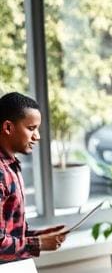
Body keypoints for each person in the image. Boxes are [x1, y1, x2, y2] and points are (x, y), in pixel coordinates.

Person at [0, 92, 66, 261]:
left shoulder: (11, 167)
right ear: (8, 127)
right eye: (31, 128)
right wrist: (39, 243)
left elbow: (9, 230)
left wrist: (41, 236)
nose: (37, 136)